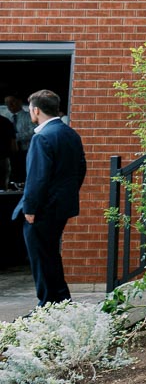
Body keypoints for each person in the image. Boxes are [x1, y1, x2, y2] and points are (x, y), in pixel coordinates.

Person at [13, 89, 86, 306]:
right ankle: (62, 301)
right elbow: (80, 169)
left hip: (42, 209)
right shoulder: (70, 133)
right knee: (51, 255)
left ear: (36, 110)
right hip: (61, 207)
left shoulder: (42, 137)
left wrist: (30, 208)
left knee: (40, 258)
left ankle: (46, 305)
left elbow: (37, 177)